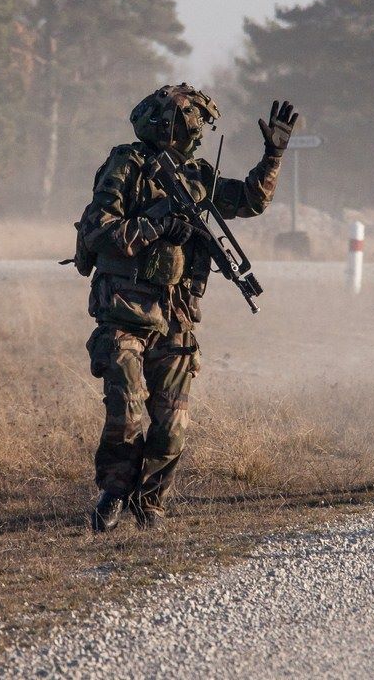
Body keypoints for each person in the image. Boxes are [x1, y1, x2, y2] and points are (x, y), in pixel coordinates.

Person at [78, 84, 297, 532]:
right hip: (124, 310)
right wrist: (158, 226)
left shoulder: (196, 176)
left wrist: (272, 155)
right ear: (165, 124)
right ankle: (114, 493)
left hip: (176, 314)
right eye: (190, 124)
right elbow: (98, 230)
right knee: (126, 412)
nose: (196, 133)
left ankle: (151, 502)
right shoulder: (127, 165)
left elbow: (251, 200)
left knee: (171, 423)